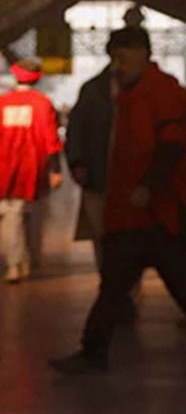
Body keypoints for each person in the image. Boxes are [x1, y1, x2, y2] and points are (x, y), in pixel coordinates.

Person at [49, 26, 186, 374]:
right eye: (114, 58)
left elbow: (171, 145)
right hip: (133, 212)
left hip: (159, 213)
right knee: (118, 286)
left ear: (143, 53)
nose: (117, 66)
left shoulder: (160, 93)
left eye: (123, 57)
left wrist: (147, 186)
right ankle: (95, 350)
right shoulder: (133, 94)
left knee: (178, 283)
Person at [0, 57, 62, 283]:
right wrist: (56, 170)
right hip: (32, 167)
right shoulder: (42, 103)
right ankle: (24, 259)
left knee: (10, 213)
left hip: (3, 167)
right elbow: (51, 140)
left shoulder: (2, 103)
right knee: (28, 213)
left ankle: (15, 262)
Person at [64, 56, 115, 272]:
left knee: (120, 235)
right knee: (104, 232)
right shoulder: (93, 90)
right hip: (99, 175)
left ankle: (116, 279)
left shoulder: (92, 90)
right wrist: (77, 162)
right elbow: (76, 130)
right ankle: (112, 278)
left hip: (121, 176)